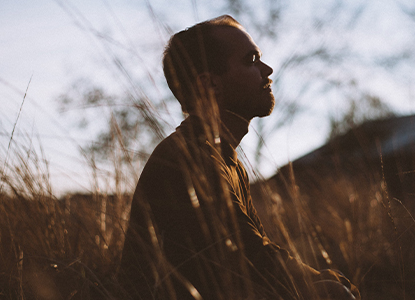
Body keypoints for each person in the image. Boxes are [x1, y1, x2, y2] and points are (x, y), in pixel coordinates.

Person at [119, 15, 360, 300]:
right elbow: (249, 258)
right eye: (251, 60)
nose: (267, 70)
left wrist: (320, 279)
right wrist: (324, 286)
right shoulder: (189, 160)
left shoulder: (225, 158)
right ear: (210, 84)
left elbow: (256, 250)